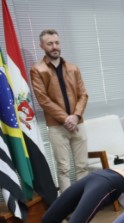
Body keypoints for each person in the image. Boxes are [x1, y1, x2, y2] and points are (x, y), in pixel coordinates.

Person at [30, 29, 89, 192]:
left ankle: (85, 200)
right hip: (56, 127)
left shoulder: (73, 68)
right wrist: (66, 119)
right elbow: (43, 99)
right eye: (49, 44)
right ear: (42, 46)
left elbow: (83, 94)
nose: (54, 46)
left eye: (57, 43)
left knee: (83, 166)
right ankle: (67, 205)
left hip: (78, 124)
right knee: (63, 169)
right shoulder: (37, 70)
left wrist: (76, 116)